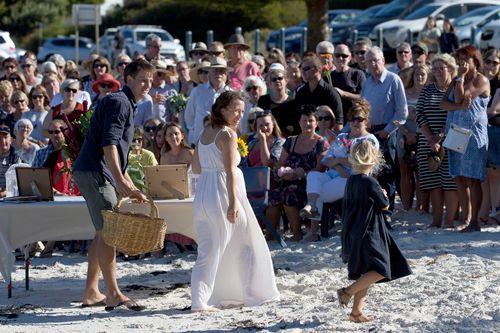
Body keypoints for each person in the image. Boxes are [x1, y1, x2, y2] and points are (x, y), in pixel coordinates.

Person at [72, 59, 153, 311]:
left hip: (92, 171)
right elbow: (109, 145)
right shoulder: (120, 102)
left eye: (150, 80)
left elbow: (114, 149)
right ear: (127, 78)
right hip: (95, 172)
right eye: (143, 80)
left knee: (101, 234)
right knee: (109, 233)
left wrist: (125, 181)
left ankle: (91, 291)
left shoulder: (122, 101)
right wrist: (121, 182)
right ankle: (114, 294)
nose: (147, 85)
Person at [190, 90, 279, 311]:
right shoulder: (227, 134)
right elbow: (230, 170)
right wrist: (233, 202)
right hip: (223, 192)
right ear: (222, 110)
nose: (240, 115)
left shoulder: (205, 131)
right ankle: (249, 292)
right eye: (235, 111)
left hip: (204, 192)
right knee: (246, 242)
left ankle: (201, 299)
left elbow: (197, 167)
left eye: (241, 111)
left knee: (209, 249)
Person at [338, 139, 412, 323]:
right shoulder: (369, 181)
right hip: (369, 232)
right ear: (373, 159)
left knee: (367, 272)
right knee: (381, 269)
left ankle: (356, 312)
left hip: (354, 231)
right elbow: (385, 204)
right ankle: (347, 292)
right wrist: (385, 195)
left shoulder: (352, 181)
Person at [300, 100, 379, 241]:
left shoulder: (369, 139)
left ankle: (313, 230)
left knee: (317, 192)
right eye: (352, 119)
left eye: (359, 119)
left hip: (354, 179)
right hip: (335, 174)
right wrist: (338, 166)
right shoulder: (342, 137)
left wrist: (338, 161)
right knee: (313, 176)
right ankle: (311, 205)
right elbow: (327, 159)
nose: (355, 122)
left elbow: (363, 161)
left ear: (366, 121)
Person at [441, 45, 490, 233]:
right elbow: (443, 104)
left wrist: (460, 79)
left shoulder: (481, 80)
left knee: (473, 179)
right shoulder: (456, 80)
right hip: (456, 133)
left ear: (475, 61)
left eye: (465, 59)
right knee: (459, 178)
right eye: (459, 59)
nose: (462, 63)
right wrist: (458, 106)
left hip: (474, 135)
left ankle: (475, 221)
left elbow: (462, 96)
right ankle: (466, 218)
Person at [361, 46, 408, 219]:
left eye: (376, 60)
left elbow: (402, 113)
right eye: (369, 61)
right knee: (372, 174)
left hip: (386, 132)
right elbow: (362, 109)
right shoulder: (367, 83)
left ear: (383, 60)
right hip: (370, 133)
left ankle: (387, 211)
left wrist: (387, 131)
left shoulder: (393, 80)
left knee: (388, 173)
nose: (373, 64)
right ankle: (376, 209)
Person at [416, 54, 459, 228]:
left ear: (451, 68)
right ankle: (436, 221)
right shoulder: (427, 89)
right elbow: (419, 114)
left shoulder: (456, 90)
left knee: (449, 183)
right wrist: (430, 138)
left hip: (451, 141)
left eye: (442, 68)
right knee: (433, 181)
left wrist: (440, 137)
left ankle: (449, 221)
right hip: (427, 142)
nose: (438, 72)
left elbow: (456, 115)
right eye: (435, 69)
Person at [273, 109, 329, 241]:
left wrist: (301, 175)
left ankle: (297, 234)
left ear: (316, 123)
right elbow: (280, 163)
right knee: (274, 195)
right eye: (304, 120)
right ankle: (272, 234)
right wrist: (284, 172)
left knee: (289, 193)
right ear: (299, 122)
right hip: (289, 180)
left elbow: (319, 169)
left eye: (311, 120)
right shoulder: (291, 141)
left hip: (310, 184)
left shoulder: (321, 142)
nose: (307, 124)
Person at [241, 110, 285, 240]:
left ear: (273, 125)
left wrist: (264, 141)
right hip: (251, 184)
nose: (264, 128)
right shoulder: (251, 143)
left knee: (273, 200)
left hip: (270, 183)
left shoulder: (279, 142)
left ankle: (270, 234)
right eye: (260, 125)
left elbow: (267, 163)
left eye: (267, 124)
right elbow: (243, 164)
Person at [398, 64, 429, 212]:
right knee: (405, 173)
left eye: (423, 74)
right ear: (413, 76)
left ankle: (420, 206)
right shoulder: (405, 93)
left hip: (423, 135)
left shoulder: (430, 93)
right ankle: (405, 207)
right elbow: (396, 116)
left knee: (421, 173)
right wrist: (405, 132)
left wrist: (417, 134)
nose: (420, 77)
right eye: (417, 74)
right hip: (404, 133)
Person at [184, 57, 231, 146]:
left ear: (226, 74)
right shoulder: (197, 91)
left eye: (221, 71)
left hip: (222, 142)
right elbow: (189, 117)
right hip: (199, 141)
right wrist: (193, 136)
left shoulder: (230, 94)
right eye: (215, 70)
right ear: (209, 72)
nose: (218, 74)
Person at [295, 55, 343, 131]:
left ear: (317, 69)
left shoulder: (330, 92)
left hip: (327, 138)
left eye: (306, 69)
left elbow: (339, 124)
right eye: (301, 69)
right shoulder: (300, 93)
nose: (302, 72)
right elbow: (297, 119)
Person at [258, 63, 298, 137]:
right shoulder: (262, 101)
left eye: (280, 78)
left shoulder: (293, 103)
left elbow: (297, 130)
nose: (277, 81)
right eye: (273, 79)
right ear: (269, 83)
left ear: (286, 80)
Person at [330, 44, 365, 123]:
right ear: (333, 57)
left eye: (344, 56)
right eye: (337, 55)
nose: (340, 58)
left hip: (353, 120)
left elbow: (364, 98)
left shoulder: (357, 74)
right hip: (334, 122)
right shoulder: (328, 77)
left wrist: (343, 93)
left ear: (350, 58)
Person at [127, 126, 158, 192]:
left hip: (148, 190)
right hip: (129, 190)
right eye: (133, 139)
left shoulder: (149, 155)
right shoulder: (125, 155)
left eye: (139, 139)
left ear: (143, 140)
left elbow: (155, 173)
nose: (136, 142)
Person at [0, 124, 18, 198]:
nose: (3, 141)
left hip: (9, 198)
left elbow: (19, 184)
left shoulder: (16, 158)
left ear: (11, 140)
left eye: (6, 137)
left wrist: (6, 192)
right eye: (0, 138)